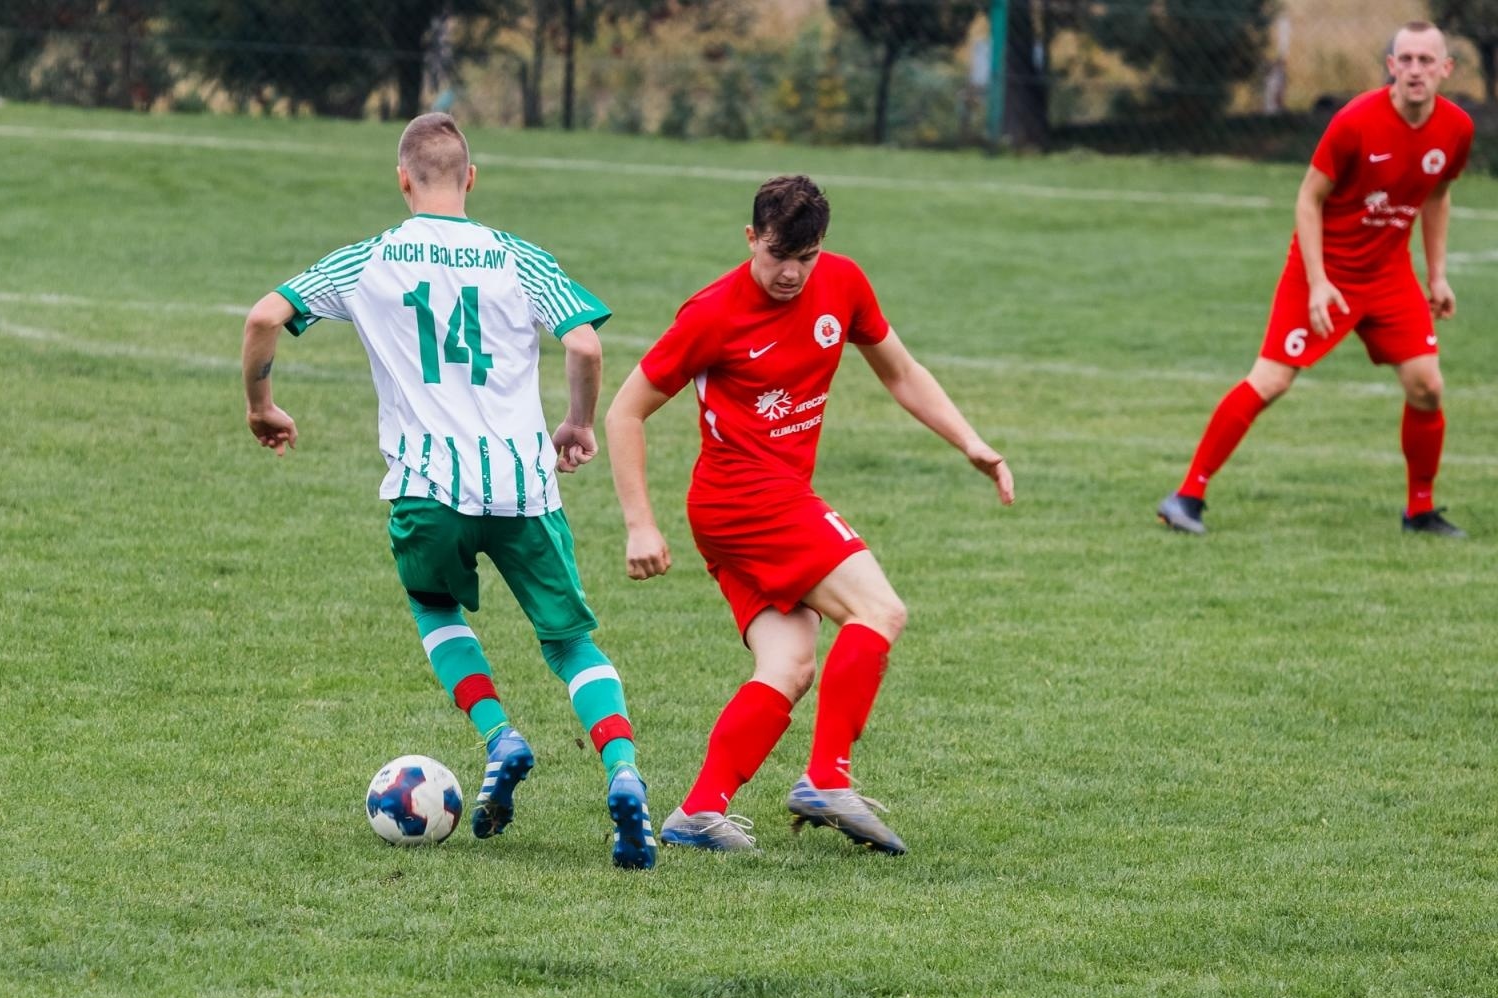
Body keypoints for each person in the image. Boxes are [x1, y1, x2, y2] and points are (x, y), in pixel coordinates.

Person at [241, 112, 656, 870]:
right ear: (471, 179)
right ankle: (623, 771)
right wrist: (575, 422)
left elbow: (266, 315)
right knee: (569, 642)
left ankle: (500, 735)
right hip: (524, 487)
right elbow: (586, 343)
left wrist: (261, 405)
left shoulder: (369, 259)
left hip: (428, 485)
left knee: (433, 603)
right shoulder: (518, 257)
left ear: (403, 179)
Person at [605, 175, 1014, 856]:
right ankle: (827, 778)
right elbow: (625, 411)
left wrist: (970, 442)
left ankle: (697, 812)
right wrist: (640, 523)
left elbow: (901, 372)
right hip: (744, 497)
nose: (792, 273)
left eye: (806, 257)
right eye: (777, 256)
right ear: (750, 239)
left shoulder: (843, 283)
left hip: (760, 501)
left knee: (790, 663)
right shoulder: (712, 313)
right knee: (879, 610)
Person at [1159, 21, 1474, 538]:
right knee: (1271, 380)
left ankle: (1420, 511)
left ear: (1446, 68)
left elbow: (1437, 194)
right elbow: (1308, 198)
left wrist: (1437, 275)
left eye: (1426, 60)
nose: (1415, 70)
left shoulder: (1457, 128)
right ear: (1391, 66)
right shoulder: (1355, 122)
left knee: (1427, 386)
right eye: (1406, 60)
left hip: (1389, 275)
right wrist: (1319, 281)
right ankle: (1186, 495)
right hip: (1323, 270)